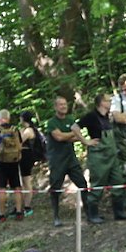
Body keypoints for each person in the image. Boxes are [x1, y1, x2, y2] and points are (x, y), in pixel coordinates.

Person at [45, 96, 102, 226]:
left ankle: (89, 215)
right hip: (57, 161)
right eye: (60, 105)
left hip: (71, 159)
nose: (63, 106)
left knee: (82, 184)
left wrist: (79, 137)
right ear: (55, 107)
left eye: (65, 104)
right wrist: (74, 133)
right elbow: (59, 137)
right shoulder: (52, 122)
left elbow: (73, 137)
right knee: (56, 188)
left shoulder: (70, 119)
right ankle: (56, 216)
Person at [72, 94, 126, 221]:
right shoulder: (91, 116)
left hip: (112, 157)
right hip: (98, 157)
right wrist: (85, 141)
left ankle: (119, 212)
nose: (110, 103)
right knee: (97, 185)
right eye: (108, 101)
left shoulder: (107, 116)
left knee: (118, 183)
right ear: (102, 102)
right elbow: (74, 127)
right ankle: (92, 215)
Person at [0, 109, 24, 222]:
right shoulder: (15, 129)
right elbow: (20, 145)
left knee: (1, 188)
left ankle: (1, 214)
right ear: (9, 118)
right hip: (14, 162)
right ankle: (19, 212)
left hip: (1, 163)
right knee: (17, 187)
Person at [19, 111, 42, 217]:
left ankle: (27, 206)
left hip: (26, 156)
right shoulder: (25, 130)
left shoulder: (29, 130)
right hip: (22, 156)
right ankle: (22, 205)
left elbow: (19, 141)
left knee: (26, 181)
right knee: (23, 181)